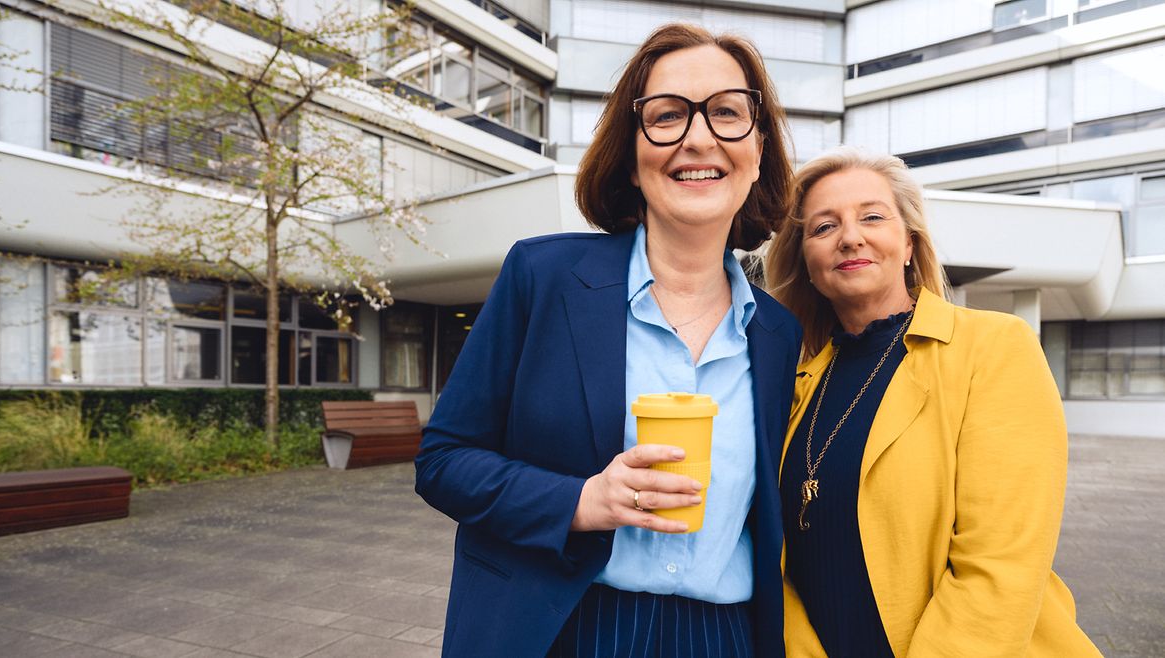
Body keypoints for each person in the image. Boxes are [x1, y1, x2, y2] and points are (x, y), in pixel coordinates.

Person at [415, 23, 802, 658]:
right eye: (668, 115)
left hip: (723, 638)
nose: (698, 138)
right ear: (631, 152)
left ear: (758, 149)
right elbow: (443, 460)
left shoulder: (779, 333)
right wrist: (581, 500)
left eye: (728, 113)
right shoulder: (542, 278)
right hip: (567, 626)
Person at [763, 146, 1102, 657]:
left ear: (908, 243)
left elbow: (1000, 565)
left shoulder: (994, 347)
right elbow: (780, 562)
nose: (850, 236)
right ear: (806, 261)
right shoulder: (794, 384)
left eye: (872, 216)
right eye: (823, 227)